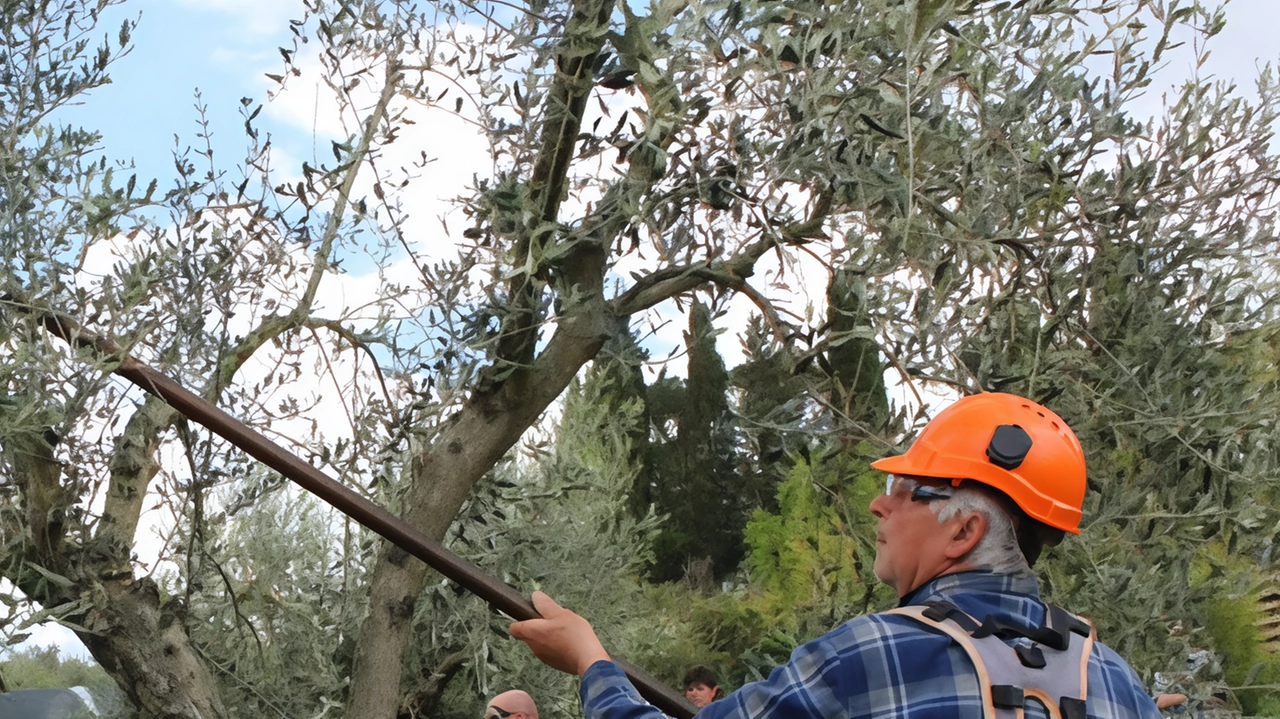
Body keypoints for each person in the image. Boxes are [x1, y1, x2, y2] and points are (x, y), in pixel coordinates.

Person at [509, 392, 1164, 719]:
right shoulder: (1117, 683)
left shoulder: (872, 655)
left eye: (901, 488)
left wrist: (589, 660)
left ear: (963, 530)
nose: (880, 506)